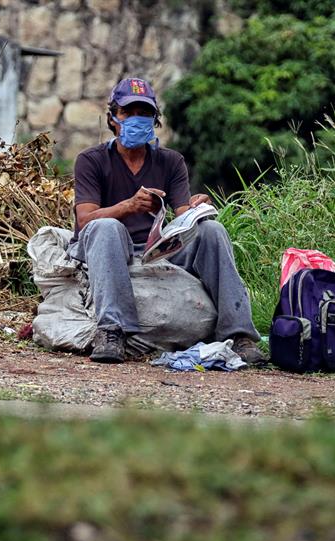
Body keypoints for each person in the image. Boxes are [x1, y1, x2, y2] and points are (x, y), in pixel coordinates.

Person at [69, 77, 266, 365]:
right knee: (107, 226)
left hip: (155, 249)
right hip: (109, 246)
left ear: (155, 120)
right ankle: (112, 330)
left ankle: (239, 335)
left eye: (144, 113)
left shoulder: (171, 161)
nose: (136, 119)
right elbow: (85, 219)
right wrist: (128, 206)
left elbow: (183, 215)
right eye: (128, 113)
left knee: (212, 230)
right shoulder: (91, 160)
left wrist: (197, 209)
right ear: (113, 118)